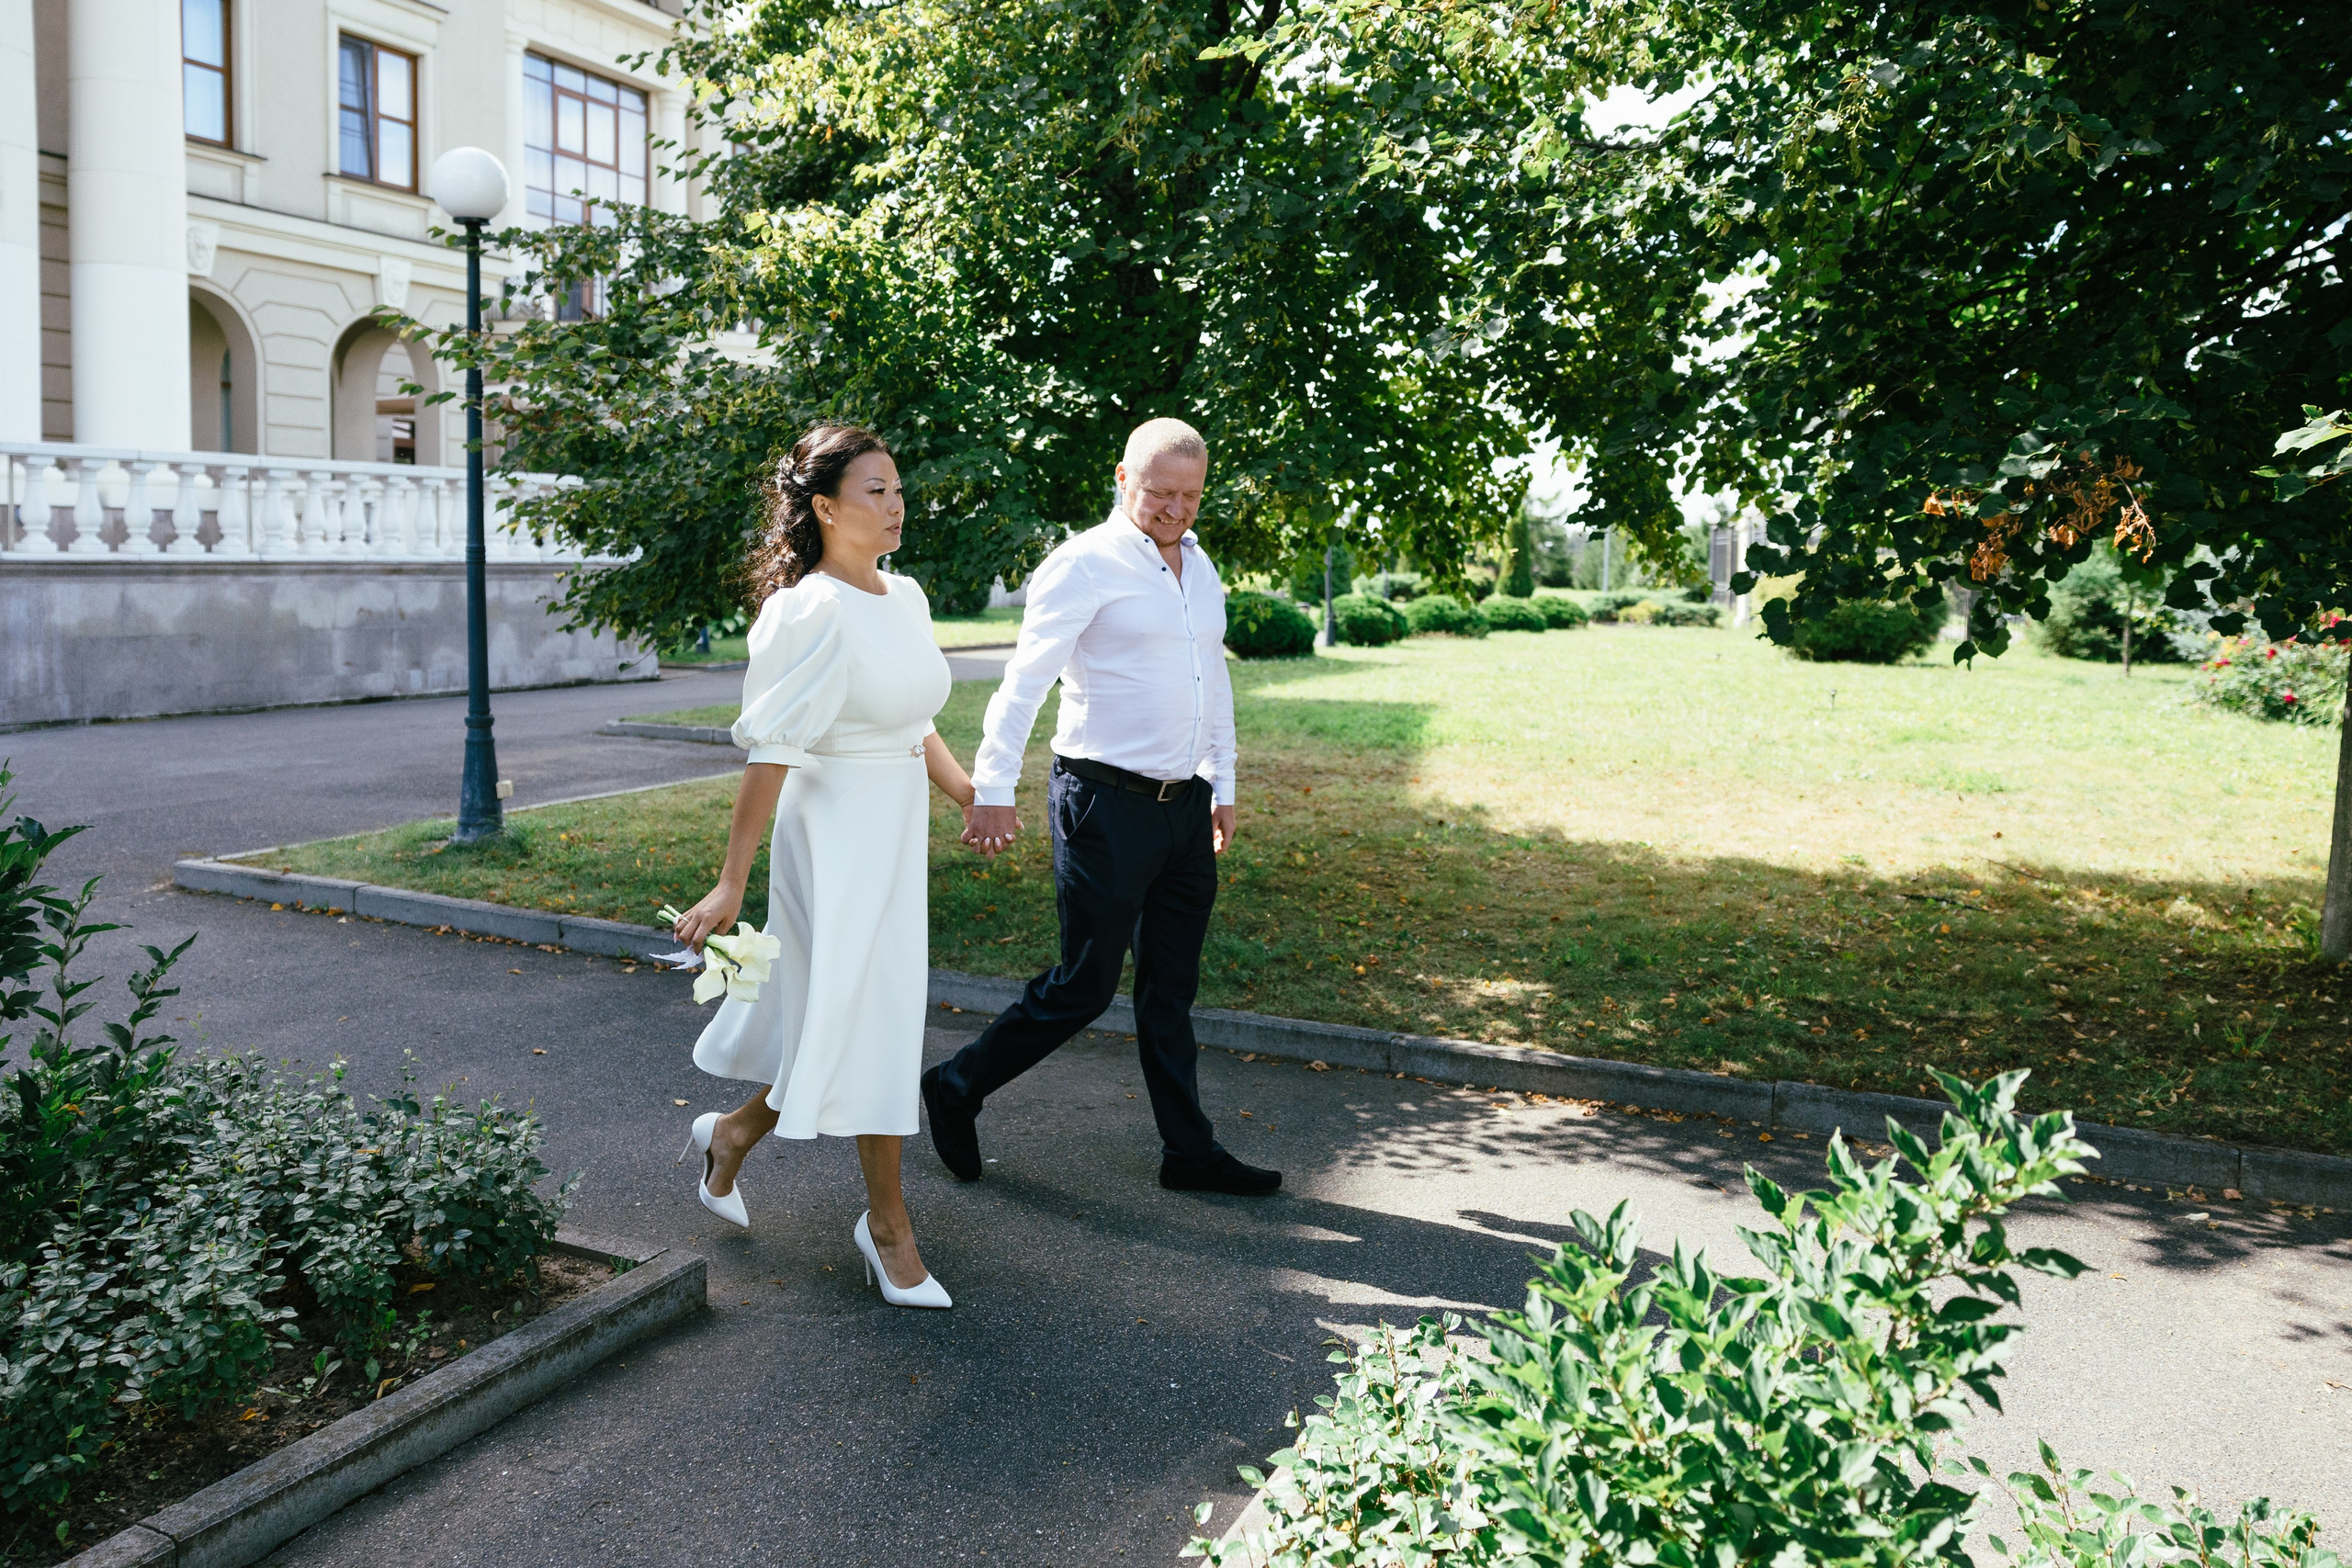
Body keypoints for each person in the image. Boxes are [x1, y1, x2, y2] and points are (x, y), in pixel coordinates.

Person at [922, 417, 1280, 1198]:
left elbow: (1209, 682)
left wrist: (1222, 784)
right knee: (1085, 985)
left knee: (1170, 988)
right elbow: (1024, 682)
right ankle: (954, 1085)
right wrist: (991, 788)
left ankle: (1188, 1151)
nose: (1177, 510)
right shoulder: (1082, 565)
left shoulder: (1201, 567)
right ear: (1124, 478)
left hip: (1183, 810)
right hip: (1103, 805)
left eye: (1191, 496)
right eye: (1161, 493)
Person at [671, 423, 980, 1309]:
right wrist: (733, 880)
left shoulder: (907, 596)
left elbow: (911, 717)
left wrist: (967, 795)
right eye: (875, 490)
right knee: (868, 1016)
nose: (895, 504)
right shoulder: (807, 610)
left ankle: (732, 1134)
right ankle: (888, 1227)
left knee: (851, 1016)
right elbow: (770, 752)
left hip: (893, 821)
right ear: (824, 507)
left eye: (897, 488)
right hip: (830, 826)